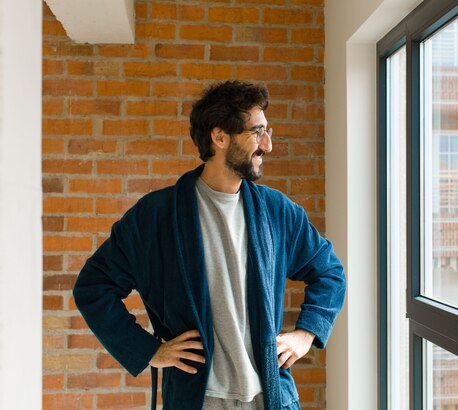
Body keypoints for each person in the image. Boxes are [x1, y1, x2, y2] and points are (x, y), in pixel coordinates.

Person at [73, 80, 346, 410]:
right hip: (198, 400)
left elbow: (329, 271)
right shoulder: (156, 217)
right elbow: (92, 287)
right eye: (257, 132)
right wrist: (147, 350)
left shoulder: (277, 211)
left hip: (270, 398)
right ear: (220, 138)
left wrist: (307, 334)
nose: (268, 145)